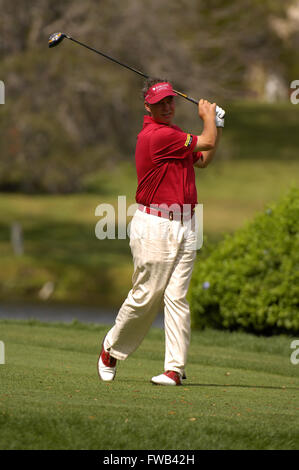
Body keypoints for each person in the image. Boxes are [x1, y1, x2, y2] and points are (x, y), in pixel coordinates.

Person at [97, 78, 224, 386]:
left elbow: (203, 160)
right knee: (145, 296)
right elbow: (205, 142)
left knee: (177, 298)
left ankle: (174, 370)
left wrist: (216, 126)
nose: (167, 107)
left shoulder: (176, 134)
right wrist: (209, 120)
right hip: (155, 224)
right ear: (148, 107)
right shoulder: (156, 136)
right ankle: (110, 350)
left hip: (186, 222)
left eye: (170, 101)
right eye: (160, 103)